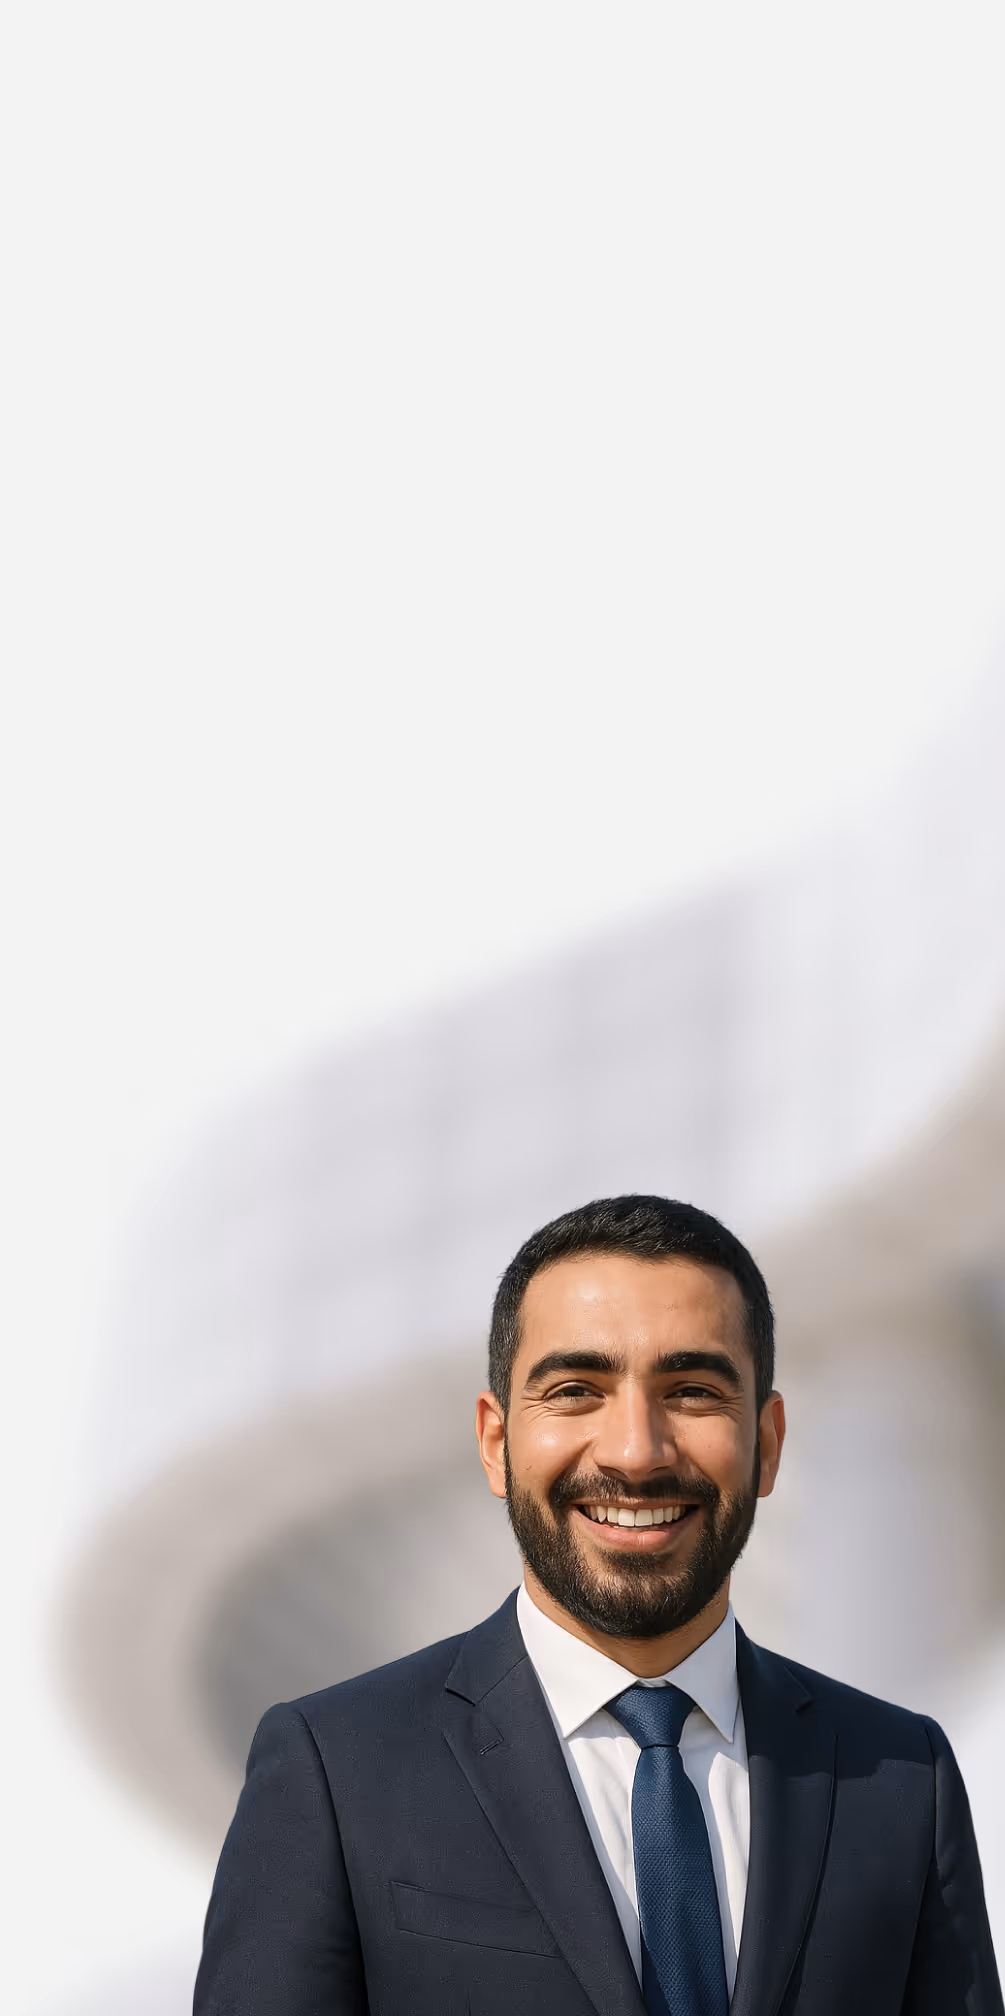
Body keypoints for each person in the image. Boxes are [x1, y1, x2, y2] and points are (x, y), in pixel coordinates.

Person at [194, 1193, 1002, 2015]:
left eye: (692, 1391)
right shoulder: (335, 1771)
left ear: (766, 1443)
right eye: (576, 1389)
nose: (634, 1452)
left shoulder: (902, 1777)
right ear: (496, 1442)